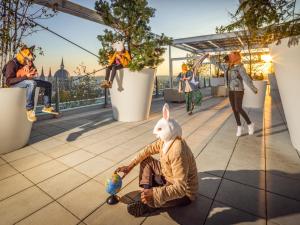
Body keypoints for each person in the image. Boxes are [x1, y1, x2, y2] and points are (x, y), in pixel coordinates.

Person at [115, 104, 198, 217]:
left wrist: (155, 194)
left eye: (159, 130)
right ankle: (146, 193)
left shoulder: (178, 151)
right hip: (168, 176)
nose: (156, 134)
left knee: (157, 199)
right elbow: (147, 150)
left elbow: (181, 188)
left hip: (185, 195)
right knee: (146, 160)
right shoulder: (167, 140)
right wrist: (130, 166)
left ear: (169, 129)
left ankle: (148, 204)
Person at [3, 45, 58, 122]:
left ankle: (47, 106)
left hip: (26, 80)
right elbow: (8, 81)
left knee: (48, 84)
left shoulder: (26, 62)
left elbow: (34, 70)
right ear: (23, 55)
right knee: (32, 83)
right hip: (14, 84)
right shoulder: (12, 63)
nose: (30, 60)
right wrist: (26, 76)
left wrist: (32, 70)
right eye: (28, 57)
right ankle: (29, 110)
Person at [210, 52, 258, 136]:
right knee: (234, 109)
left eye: (230, 57)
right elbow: (218, 64)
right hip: (230, 90)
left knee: (238, 108)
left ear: (235, 58)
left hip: (238, 90)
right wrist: (210, 58)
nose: (228, 59)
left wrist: (253, 88)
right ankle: (239, 126)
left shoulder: (240, 67)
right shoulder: (227, 66)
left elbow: (246, 78)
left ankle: (250, 124)